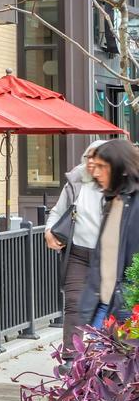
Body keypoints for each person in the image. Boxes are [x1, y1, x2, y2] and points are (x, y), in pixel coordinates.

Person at [46, 139, 109, 347]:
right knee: (73, 302)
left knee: (107, 305)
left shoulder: (117, 182)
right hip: (78, 253)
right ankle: (72, 357)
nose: (91, 163)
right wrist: (49, 232)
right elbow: (58, 210)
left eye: (97, 158)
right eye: (88, 157)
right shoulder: (76, 181)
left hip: (109, 255)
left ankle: (104, 354)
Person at [81, 139, 139, 329]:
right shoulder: (111, 202)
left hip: (128, 309)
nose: (95, 173)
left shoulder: (135, 204)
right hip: (105, 306)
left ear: (122, 168)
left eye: (102, 166)